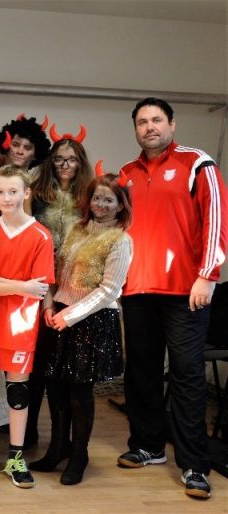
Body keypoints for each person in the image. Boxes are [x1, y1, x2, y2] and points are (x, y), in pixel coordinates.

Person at [117, 97, 227, 500]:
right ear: (135, 129)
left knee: (186, 376)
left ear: (172, 125)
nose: (150, 127)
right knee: (141, 373)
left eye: (157, 120)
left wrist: (208, 276)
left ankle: (194, 464)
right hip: (137, 291)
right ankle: (148, 445)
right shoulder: (126, 174)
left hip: (186, 292)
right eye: (142, 122)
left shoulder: (197, 163)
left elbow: (216, 219)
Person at [32, 174, 133, 485]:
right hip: (60, 314)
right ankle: (57, 448)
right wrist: (49, 305)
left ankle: (79, 455)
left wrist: (71, 315)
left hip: (91, 320)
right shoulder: (76, 228)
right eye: (97, 197)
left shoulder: (120, 240)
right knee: (55, 387)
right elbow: (56, 271)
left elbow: (110, 290)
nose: (101, 204)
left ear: (120, 206)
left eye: (109, 200)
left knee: (79, 392)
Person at [0, 164, 54, 489]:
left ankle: (16, 456)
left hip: (21, 326)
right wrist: (20, 286)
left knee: (18, 391)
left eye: (13, 191)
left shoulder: (40, 236)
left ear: (26, 193)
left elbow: (39, 288)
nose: (6, 197)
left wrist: (6, 283)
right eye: (0, 191)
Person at [24, 129, 94, 449]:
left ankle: (65, 442)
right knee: (39, 361)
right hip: (42, 281)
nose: (65, 165)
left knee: (66, 365)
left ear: (81, 163)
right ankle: (28, 431)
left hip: (76, 284)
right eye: (59, 159)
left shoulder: (88, 196)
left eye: (72, 160)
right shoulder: (38, 190)